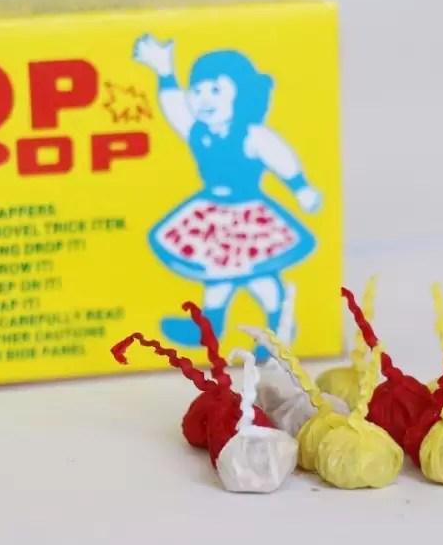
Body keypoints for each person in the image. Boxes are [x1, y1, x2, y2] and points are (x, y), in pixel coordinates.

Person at [133, 34, 322, 360]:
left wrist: (300, 187)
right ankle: (210, 325)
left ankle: (278, 326)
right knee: (216, 273)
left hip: (248, 215)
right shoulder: (198, 131)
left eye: (216, 90)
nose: (204, 99)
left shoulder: (251, 135)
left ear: (242, 95)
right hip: (211, 213)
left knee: (259, 277)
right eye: (198, 90)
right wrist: (165, 72)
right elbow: (175, 108)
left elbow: (279, 156)